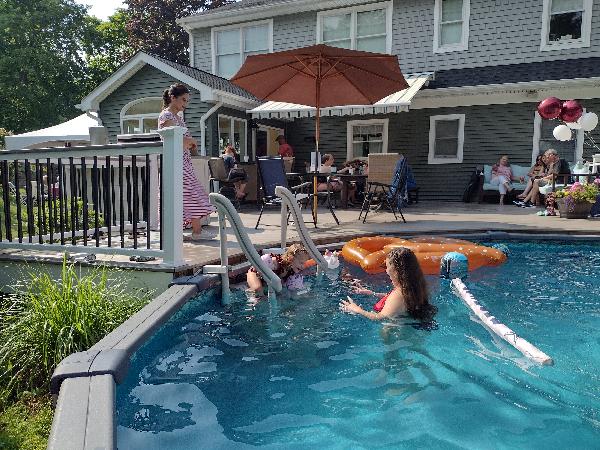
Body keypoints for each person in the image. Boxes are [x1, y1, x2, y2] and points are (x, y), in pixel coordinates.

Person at [158, 83, 215, 241]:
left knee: (187, 194)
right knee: (187, 194)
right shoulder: (166, 116)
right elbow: (177, 140)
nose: (186, 104)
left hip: (184, 162)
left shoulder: (178, 118)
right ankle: (195, 232)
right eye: (183, 100)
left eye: (187, 101)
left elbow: (187, 142)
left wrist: (189, 142)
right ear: (173, 98)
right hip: (174, 162)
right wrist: (189, 141)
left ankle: (190, 231)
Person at [339, 247, 437, 322]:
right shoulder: (414, 286)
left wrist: (357, 309)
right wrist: (372, 293)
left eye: (387, 267)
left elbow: (380, 318)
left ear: (396, 271)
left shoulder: (399, 295)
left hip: (395, 337)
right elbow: (398, 303)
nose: (386, 271)